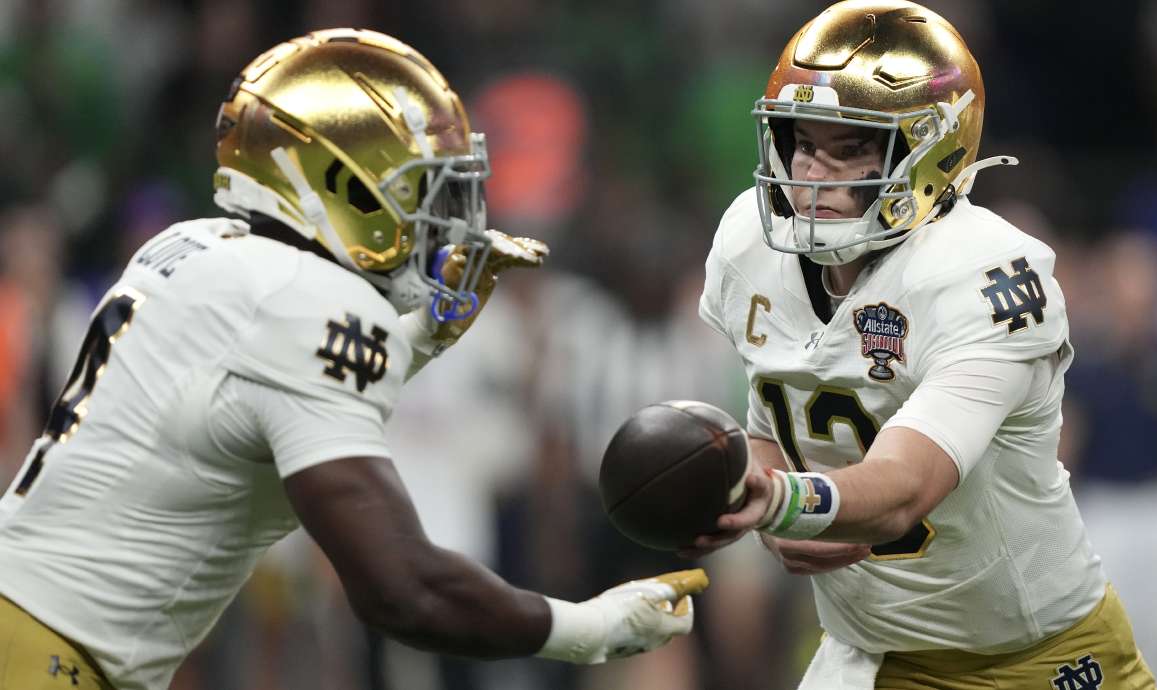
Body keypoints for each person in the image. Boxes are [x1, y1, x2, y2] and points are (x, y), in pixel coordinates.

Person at [0, 29, 704, 690]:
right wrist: (588, 626)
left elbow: (245, 393)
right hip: (49, 657)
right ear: (342, 185)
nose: (445, 215)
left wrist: (415, 342)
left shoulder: (194, 243)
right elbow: (403, 590)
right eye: (421, 187)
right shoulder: (311, 302)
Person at [689, 2, 1157, 688]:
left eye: (849, 148)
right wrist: (758, 486)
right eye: (801, 142)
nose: (812, 177)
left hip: (1031, 659)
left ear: (929, 152)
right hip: (869, 652)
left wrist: (784, 501)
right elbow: (777, 410)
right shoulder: (747, 245)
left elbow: (906, 487)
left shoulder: (984, 273)